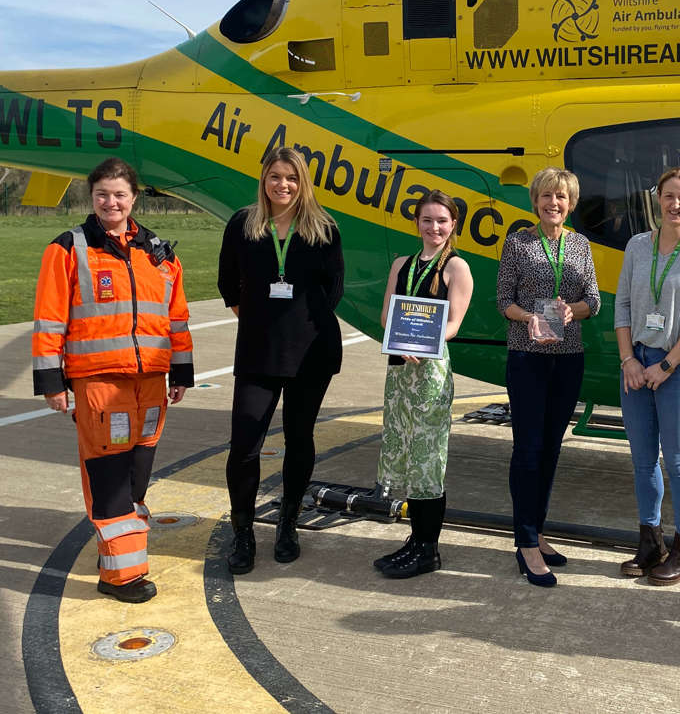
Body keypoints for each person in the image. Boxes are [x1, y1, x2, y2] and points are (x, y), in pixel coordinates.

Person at [31, 157, 193, 603]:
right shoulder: (68, 249)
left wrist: (181, 371)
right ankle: (121, 576)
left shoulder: (159, 254)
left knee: (137, 475)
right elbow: (49, 319)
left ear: (134, 198)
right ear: (92, 197)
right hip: (99, 383)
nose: (111, 202)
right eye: (102, 193)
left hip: (151, 385)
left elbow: (176, 319)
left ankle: (115, 551)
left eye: (120, 194)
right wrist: (51, 381)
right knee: (110, 478)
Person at [218, 147, 344, 575]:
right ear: (264, 179)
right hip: (258, 351)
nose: (282, 184)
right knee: (244, 445)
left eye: (291, 177)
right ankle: (243, 532)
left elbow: (333, 291)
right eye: (275, 176)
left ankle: (288, 523)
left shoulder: (323, 228)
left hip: (311, 353)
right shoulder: (243, 225)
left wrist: (295, 325)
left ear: (302, 181)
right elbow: (227, 284)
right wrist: (262, 320)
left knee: (300, 438)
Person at [614, 167, 680, 585]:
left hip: (679, 366)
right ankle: (649, 541)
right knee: (642, 461)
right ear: (656, 198)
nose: (674, 204)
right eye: (668, 196)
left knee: (677, 461)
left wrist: (665, 366)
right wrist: (629, 361)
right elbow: (622, 305)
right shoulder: (638, 245)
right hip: (637, 364)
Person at [497, 167, 600, 587]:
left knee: (551, 449)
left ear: (570, 203)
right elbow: (503, 299)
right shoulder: (517, 243)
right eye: (545, 196)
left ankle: (538, 532)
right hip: (527, 356)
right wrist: (531, 319)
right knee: (528, 448)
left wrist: (571, 311)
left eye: (560, 197)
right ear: (535, 201)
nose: (553, 203)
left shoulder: (580, 244)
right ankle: (524, 542)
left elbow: (593, 298)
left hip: (568, 356)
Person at [372, 190, 474, 579]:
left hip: (429, 373)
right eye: (427, 220)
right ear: (417, 223)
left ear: (453, 226)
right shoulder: (402, 263)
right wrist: (401, 340)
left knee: (428, 460)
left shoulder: (457, 268)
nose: (434, 227)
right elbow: (387, 315)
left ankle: (429, 549)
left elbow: (453, 325)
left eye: (442, 221)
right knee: (406, 458)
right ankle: (415, 541)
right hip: (400, 371)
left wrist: (422, 342)